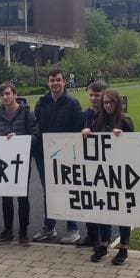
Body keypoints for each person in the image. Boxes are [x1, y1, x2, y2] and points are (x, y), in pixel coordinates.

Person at [0, 82, 39, 246]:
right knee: (6, 197)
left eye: (8, 94)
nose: (5, 97)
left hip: (21, 161)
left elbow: (36, 135)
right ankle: (8, 230)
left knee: (22, 198)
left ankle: (23, 232)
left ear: (15, 95)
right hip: (3, 162)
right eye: (2, 95)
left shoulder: (27, 113)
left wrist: (20, 140)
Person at [81, 89, 134, 265]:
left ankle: (123, 248)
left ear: (117, 103)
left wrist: (123, 137)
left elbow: (136, 146)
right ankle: (103, 245)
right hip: (103, 173)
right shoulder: (98, 120)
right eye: (105, 102)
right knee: (104, 209)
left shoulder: (125, 121)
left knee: (122, 212)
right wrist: (87, 135)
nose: (108, 105)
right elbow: (92, 146)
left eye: (111, 102)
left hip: (120, 174)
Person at [32, 69, 84, 243]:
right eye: (52, 80)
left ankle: (73, 228)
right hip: (43, 154)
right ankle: (49, 226)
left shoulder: (72, 103)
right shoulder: (42, 103)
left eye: (58, 80)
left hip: (65, 155)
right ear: (48, 82)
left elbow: (78, 128)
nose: (55, 83)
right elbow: (36, 126)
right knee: (49, 191)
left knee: (68, 189)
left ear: (64, 82)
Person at [76, 81, 108, 249]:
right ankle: (91, 234)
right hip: (86, 162)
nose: (94, 98)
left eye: (97, 95)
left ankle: (103, 239)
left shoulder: (108, 114)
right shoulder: (85, 115)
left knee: (102, 201)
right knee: (88, 200)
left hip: (103, 164)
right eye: (91, 95)